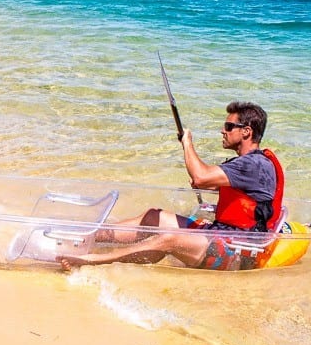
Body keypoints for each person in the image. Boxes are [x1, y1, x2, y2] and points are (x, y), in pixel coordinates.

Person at [58, 101, 284, 271]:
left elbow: (200, 178)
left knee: (169, 237)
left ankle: (95, 261)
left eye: (228, 126)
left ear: (246, 131)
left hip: (237, 251)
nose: (222, 131)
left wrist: (187, 143)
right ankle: (87, 235)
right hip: (221, 234)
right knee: (153, 217)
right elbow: (221, 186)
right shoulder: (249, 163)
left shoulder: (254, 164)